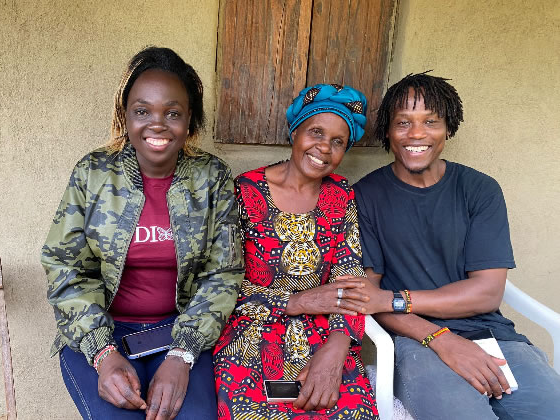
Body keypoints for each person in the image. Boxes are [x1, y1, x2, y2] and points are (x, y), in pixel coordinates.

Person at [41, 46, 244, 420]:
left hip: (184, 331)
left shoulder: (211, 178)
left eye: (173, 113)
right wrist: (103, 354)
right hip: (103, 332)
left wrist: (183, 354)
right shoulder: (94, 174)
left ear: (190, 121)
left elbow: (223, 274)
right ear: (126, 116)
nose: (157, 124)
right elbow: (65, 267)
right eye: (142, 111)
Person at [352, 72, 560, 419]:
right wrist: (442, 339)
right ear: (387, 131)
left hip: (494, 334)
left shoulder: (479, 189)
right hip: (414, 341)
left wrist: (395, 298)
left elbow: (487, 294)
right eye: (403, 122)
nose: (416, 134)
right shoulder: (365, 196)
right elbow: (368, 298)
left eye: (430, 121)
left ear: (448, 128)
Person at [213, 84, 379, 419]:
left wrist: (336, 349)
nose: (324, 148)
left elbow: (350, 279)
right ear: (295, 132)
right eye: (316, 132)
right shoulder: (244, 192)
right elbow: (221, 284)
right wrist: (295, 301)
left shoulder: (341, 194)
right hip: (251, 332)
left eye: (338, 142)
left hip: (324, 332)